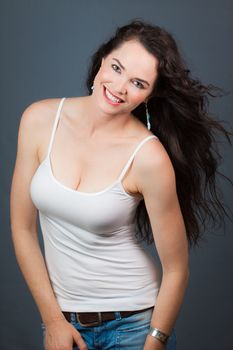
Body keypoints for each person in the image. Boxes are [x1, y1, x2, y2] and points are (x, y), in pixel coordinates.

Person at [10, 19, 232, 350]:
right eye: (116, 67)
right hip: (62, 320)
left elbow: (176, 270)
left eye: (138, 82)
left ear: (149, 96)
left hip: (132, 325)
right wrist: (53, 320)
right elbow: (22, 228)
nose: (119, 87)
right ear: (101, 60)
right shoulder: (39, 120)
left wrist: (154, 342)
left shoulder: (149, 157)